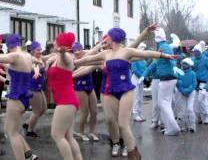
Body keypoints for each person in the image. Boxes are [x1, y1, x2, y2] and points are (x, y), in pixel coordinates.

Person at [74, 27, 176, 160]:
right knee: (110, 120)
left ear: (113, 38)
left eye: (108, 37)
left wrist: (163, 55)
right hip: (109, 91)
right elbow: (85, 61)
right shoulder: (105, 54)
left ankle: (132, 151)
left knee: (122, 123)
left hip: (125, 90)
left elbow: (146, 53)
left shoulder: (127, 51)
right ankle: (116, 143)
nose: (106, 40)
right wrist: (70, 64)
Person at [45, 32, 83, 160]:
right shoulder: (57, 56)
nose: (53, 42)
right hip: (67, 100)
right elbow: (49, 59)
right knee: (68, 136)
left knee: (57, 135)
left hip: (66, 101)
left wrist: (61, 52)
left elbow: (66, 60)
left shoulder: (65, 56)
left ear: (60, 44)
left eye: (56, 41)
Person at [153, 28, 181, 136]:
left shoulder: (162, 47)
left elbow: (163, 59)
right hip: (170, 78)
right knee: (166, 103)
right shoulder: (166, 46)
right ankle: (170, 127)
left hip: (166, 79)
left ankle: (173, 127)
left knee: (162, 103)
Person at [72, 42, 99, 142]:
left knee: (94, 112)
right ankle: (81, 133)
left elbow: (93, 51)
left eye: (79, 50)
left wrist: (100, 45)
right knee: (84, 112)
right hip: (80, 87)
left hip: (90, 86)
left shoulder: (87, 56)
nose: (77, 52)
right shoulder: (74, 61)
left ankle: (91, 132)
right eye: (75, 51)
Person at [23, 41, 47, 137]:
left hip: (39, 87)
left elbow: (50, 56)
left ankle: (27, 123)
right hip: (32, 88)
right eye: (38, 50)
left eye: (41, 49)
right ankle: (30, 130)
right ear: (32, 51)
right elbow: (35, 70)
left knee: (44, 109)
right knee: (36, 111)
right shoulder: (30, 60)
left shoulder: (40, 58)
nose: (40, 51)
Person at [175, 58, 197, 132]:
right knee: (183, 109)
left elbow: (194, 83)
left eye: (186, 64)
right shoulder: (179, 73)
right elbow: (178, 83)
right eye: (183, 63)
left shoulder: (192, 73)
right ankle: (183, 126)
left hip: (191, 93)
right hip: (182, 93)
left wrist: (188, 90)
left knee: (190, 108)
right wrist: (183, 90)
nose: (184, 65)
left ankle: (192, 126)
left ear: (189, 65)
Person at [138, 60, 161, 129]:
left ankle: (163, 121)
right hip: (156, 81)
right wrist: (143, 76)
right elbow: (148, 69)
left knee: (165, 104)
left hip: (166, 82)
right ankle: (155, 121)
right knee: (156, 103)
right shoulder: (156, 62)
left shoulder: (169, 60)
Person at [191, 42, 208, 124]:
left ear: (201, 51)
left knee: (202, 101)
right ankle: (199, 118)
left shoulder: (205, 59)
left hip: (204, 83)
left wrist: (207, 86)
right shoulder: (192, 60)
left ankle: (206, 117)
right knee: (195, 102)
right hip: (195, 83)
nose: (196, 53)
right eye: (195, 51)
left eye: (197, 51)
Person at [131, 43, 147, 122]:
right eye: (142, 48)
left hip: (141, 79)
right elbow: (134, 69)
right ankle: (135, 114)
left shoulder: (143, 60)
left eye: (144, 48)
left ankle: (140, 113)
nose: (143, 49)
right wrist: (142, 76)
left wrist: (145, 77)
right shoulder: (135, 58)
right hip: (135, 78)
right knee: (136, 97)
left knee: (140, 97)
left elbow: (145, 69)